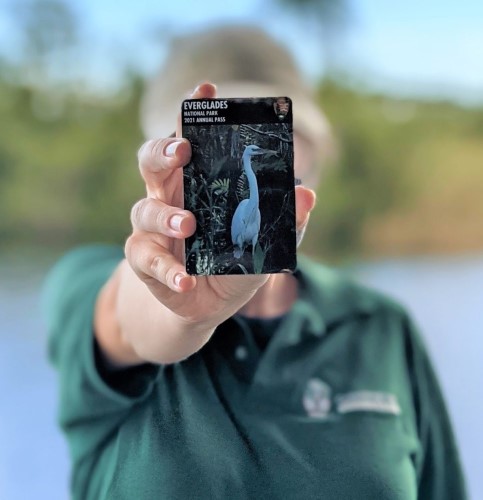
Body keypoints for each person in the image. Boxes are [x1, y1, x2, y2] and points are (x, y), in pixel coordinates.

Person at [43, 26, 467, 499]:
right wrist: (183, 302)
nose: (233, 141)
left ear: (313, 148)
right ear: (162, 158)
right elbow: (136, 316)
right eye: (207, 131)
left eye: (266, 121)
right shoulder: (83, 283)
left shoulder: (381, 326)